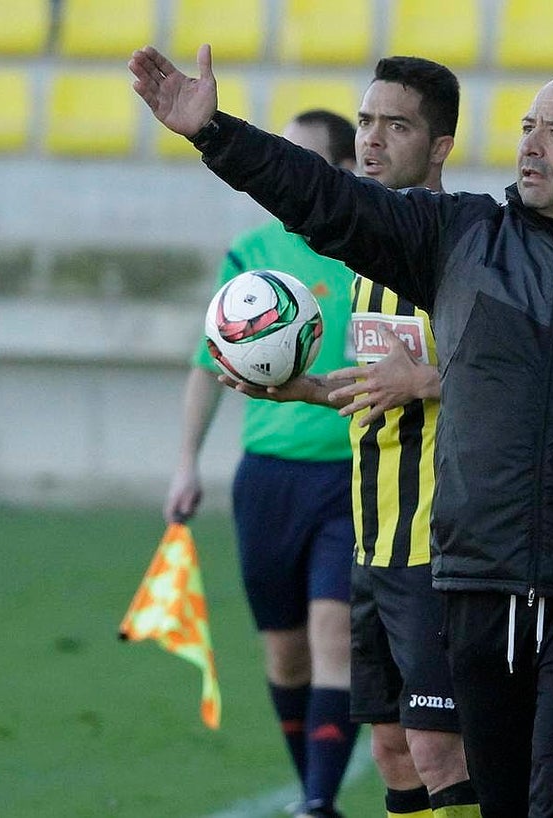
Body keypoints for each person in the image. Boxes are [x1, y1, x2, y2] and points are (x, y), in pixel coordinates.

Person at [130, 44, 553, 818]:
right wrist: (215, 134)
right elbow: (326, 201)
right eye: (529, 126)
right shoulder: (461, 236)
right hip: (475, 580)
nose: (531, 145)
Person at [219, 57, 479, 818]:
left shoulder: (465, 249)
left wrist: (432, 381)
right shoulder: (363, 263)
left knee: (440, 748)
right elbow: (381, 388)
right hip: (375, 541)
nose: (370, 140)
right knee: (394, 748)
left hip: (443, 548)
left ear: (439, 146)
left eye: (395, 126)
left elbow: (521, 382)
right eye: (364, 122)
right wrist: (300, 389)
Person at [163, 109, 362, 818]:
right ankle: (314, 788)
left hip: (350, 476)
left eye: (304, 160)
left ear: (341, 170)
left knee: (333, 636)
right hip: (267, 479)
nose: (286, 175)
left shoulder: (369, 246)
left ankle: (315, 800)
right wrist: (186, 462)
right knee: (285, 657)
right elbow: (204, 362)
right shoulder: (251, 252)